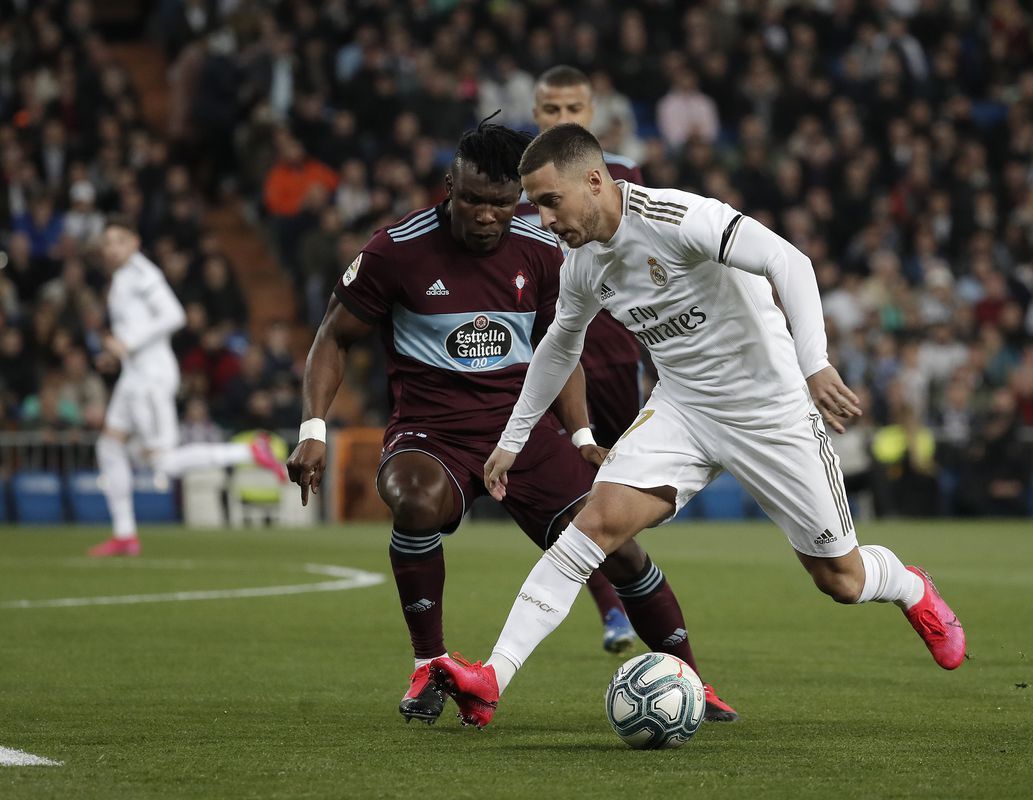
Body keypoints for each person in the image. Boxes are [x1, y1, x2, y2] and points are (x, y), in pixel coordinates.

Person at [428, 124, 966, 728]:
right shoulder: (580, 264)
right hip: (684, 409)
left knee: (840, 578)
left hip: (770, 410)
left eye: (551, 201)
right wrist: (511, 440)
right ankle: (492, 679)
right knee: (593, 527)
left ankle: (909, 586)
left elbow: (789, 261)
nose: (544, 219)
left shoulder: (677, 216)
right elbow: (558, 346)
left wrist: (815, 365)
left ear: (596, 181)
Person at [285, 122, 736, 726]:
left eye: (502, 203)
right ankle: (429, 665)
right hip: (432, 431)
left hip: (520, 434)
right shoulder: (396, 249)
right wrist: (313, 429)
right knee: (414, 502)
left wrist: (579, 437)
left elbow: (562, 346)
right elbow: (332, 337)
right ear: (450, 187)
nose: (487, 215)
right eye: (473, 199)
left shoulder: (543, 248)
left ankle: (692, 684)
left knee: (618, 549)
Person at [522, 65, 649, 651]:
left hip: (617, 358)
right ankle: (612, 608)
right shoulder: (520, 194)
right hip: (549, 362)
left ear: (592, 112)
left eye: (573, 108)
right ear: (535, 112)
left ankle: (628, 597)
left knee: (614, 489)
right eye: (551, 110)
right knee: (572, 490)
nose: (563, 119)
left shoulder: (620, 178)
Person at [88, 218, 287, 558]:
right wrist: (115, 353)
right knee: (109, 445)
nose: (112, 248)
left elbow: (174, 315)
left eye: (119, 240)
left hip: (149, 378)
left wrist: (128, 343)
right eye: (107, 242)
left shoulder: (142, 274)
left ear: (134, 242)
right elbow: (135, 328)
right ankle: (125, 535)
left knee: (162, 463)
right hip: (133, 375)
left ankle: (249, 451)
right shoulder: (122, 277)